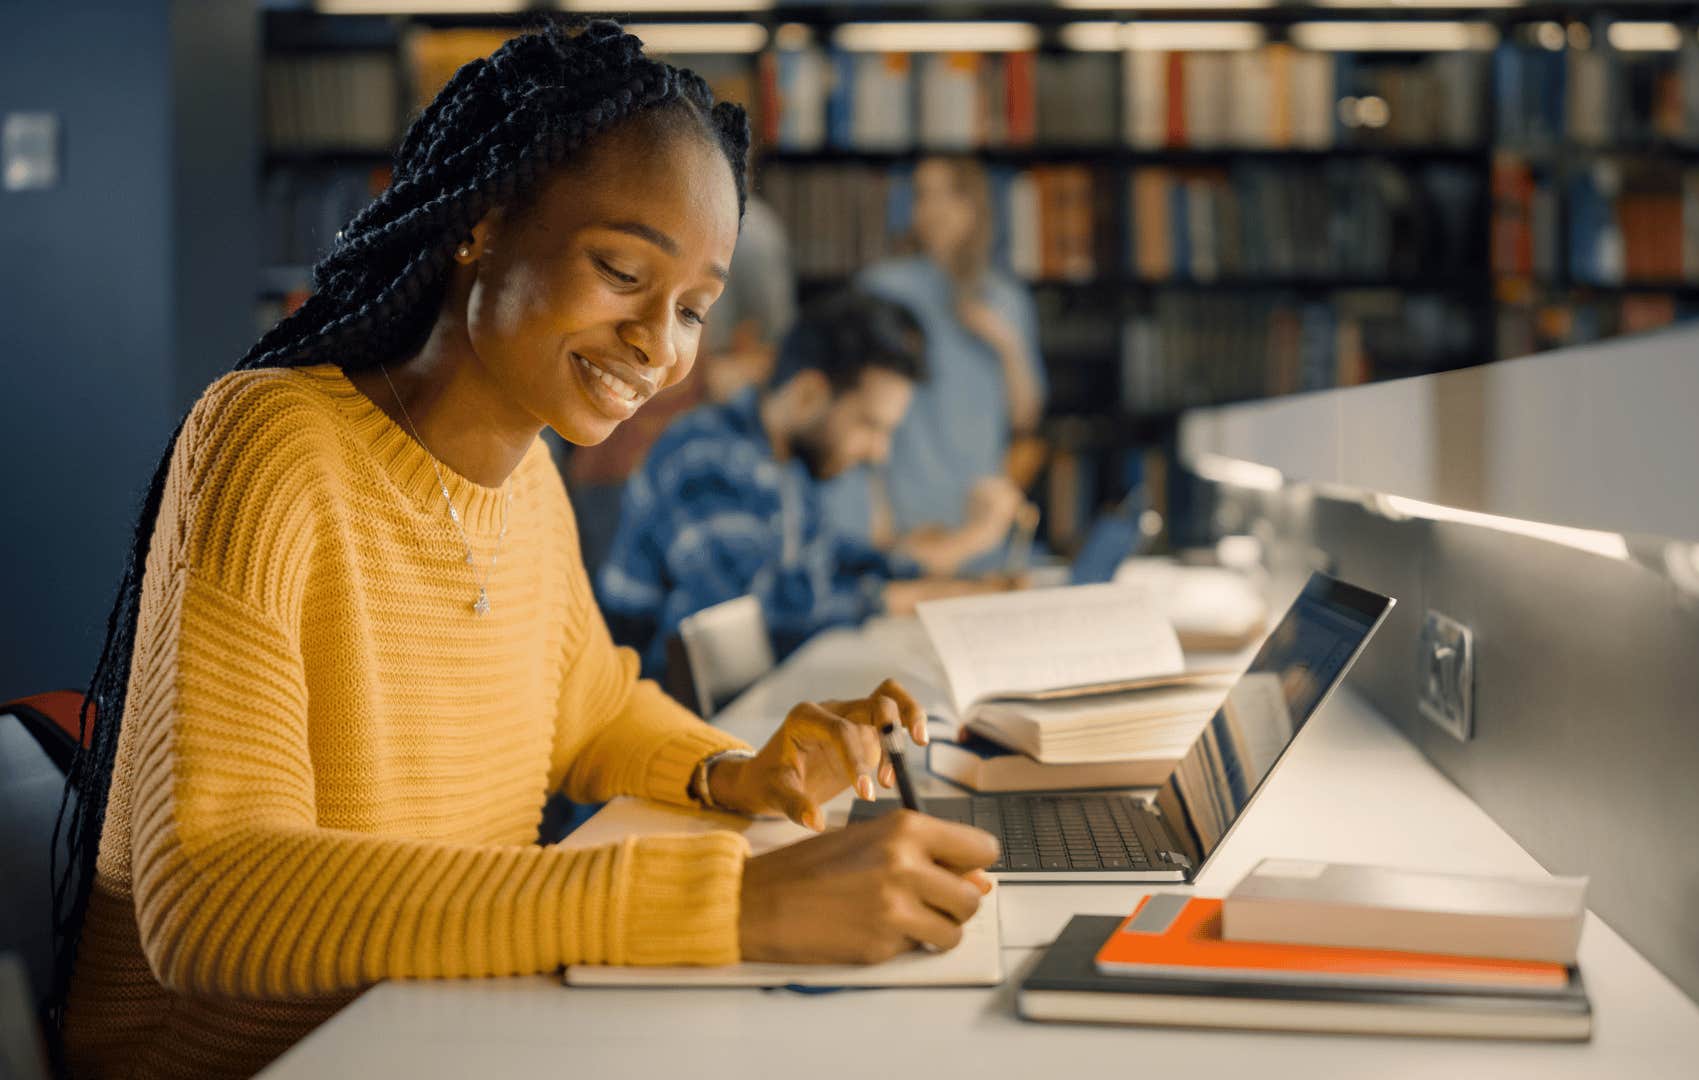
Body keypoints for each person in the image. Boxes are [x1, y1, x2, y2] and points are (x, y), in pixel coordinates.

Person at [49, 25, 996, 1079]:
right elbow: (212, 902)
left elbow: (589, 710)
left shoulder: (529, 478)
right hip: (274, 1060)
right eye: (622, 270)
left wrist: (737, 772)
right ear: (482, 226)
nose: (659, 345)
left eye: (692, 309)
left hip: (440, 1025)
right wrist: (727, 903)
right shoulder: (271, 445)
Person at [596, 289, 1015, 675]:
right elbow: (750, 616)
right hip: (655, 713)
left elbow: (825, 563)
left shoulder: (786, 464)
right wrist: (909, 598)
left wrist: (938, 576)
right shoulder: (706, 457)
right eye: (870, 425)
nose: (878, 452)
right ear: (810, 393)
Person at [820, 156, 1046, 565]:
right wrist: (873, 505)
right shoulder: (883, 289)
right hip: (908, 515)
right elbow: (852, 405)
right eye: (923, 196)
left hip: (981, 517)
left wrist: (1007, 346)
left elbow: (1026, 416)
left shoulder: (1006, 300)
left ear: (976, 206)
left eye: (950, 195)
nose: (934, 210)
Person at [563, 193, 796, 573]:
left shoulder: (752, 234)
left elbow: (775, 357)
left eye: (691, 311)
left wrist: (726, 371)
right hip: (608, 460)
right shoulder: (618, 199)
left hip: (693, 462)